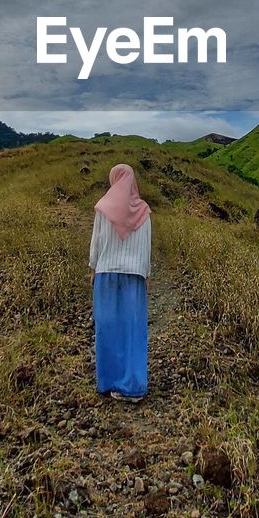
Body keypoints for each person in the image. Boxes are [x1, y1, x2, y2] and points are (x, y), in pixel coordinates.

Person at [89, 162, 151, 402]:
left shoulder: (103, 208)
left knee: (107, 326)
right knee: (132, 328)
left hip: (106, 273)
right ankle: (133, 385)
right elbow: (146, 247)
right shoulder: (144, 211)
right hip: (134, 276)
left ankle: (109, 381)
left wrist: (93, 267)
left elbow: (97, 241)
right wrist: (146, 274)